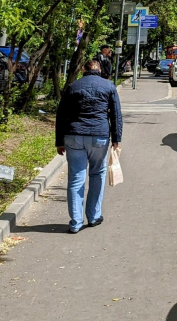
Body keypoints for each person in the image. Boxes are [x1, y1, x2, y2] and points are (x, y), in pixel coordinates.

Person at [56, 58, 123, 234]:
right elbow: (116, 114)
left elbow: (61, 114)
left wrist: (59, 141)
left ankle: (75, 222)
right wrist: (116, 139)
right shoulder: (108, 86)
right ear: (99, 70)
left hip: (74, 136)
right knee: (97, 174)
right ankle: (93, 216)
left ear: (83, 70)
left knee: (76, 178)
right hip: (99, 137)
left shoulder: (73, 86)